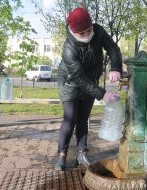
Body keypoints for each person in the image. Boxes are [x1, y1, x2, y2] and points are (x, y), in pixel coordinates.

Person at [55, 7, 122, 171]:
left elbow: (113, 48)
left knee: (83, 118)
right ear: (74, 31)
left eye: (89, 30)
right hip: (70, 84)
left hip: (90, 82)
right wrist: (102, 94)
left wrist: (115, 68)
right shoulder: (69, 48)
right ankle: (62, 154)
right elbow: (78, 78)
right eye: (82, 33)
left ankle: (81, 152)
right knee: (70, 119)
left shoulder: (98, 31)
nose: (87, 35)